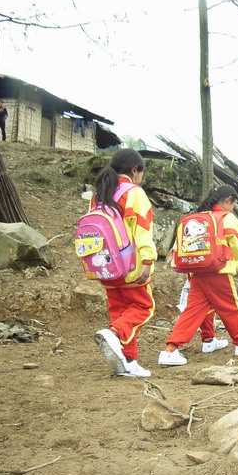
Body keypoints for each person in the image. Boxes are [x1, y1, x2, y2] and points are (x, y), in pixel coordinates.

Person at [158, 185, 238, 365]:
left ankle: (171, 350)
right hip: (218, 271)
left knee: (192, 311)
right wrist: (235, 263)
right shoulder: (227, 217)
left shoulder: (199, 217)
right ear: (229, 200)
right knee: (231, 307)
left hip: (197, 272)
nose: (233, 209)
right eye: (234, 205)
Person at [92, 149, 157, 378]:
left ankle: (128, 361)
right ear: (135, 170)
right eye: (142, 173)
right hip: (130, 265)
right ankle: (115, 334)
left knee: (121, 312)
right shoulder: (133, 192)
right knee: (143, 307)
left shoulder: (99, 193)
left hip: (105, 265)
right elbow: (142, 228)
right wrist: (147, 259)